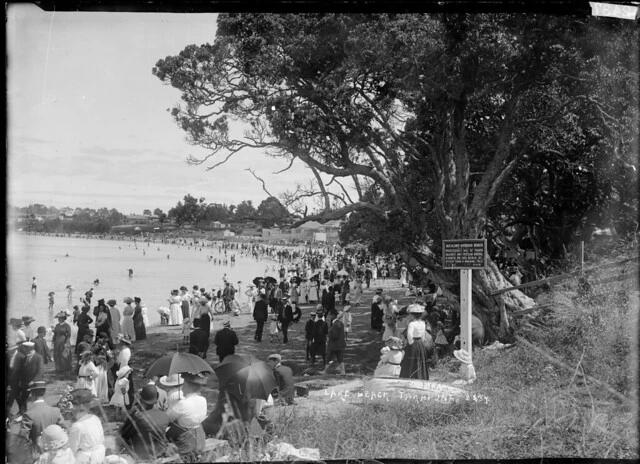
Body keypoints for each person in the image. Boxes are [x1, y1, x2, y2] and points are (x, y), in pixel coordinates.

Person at [119, 385, 170, 460]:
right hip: (159, 451)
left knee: (118, 438)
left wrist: (132, 412)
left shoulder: (138, 416)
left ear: (140, 399)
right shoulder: (165, 416)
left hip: (141, 454)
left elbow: (124, 434)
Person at [166, 373, 208, 460]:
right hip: (200, 436)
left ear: (188, 386)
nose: (182, 387)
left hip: (185, 438)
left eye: (183, 384)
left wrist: (173, 405)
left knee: (165, 433)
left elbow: (168, 418)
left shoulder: (183, 403)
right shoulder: (203, 400)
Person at [20, 381, 65, 452]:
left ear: (31, 394)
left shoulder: (29, 415)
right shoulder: (56, 411)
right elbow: (64, 431)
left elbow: (23, 439)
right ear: (44, 393)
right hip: (55, 452)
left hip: (38, 454)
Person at [68, 388, 106, 464]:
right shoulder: (95, 418)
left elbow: (72, 450)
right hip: (100, 455)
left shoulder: (77, 426)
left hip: (86, 460)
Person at [399, 304, 431, 380]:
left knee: (410, 359)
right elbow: (423, 334)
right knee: (419, 359)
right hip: (420, 342)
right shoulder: (423, 323)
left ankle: (409, 375)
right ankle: (420, 376)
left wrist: (411, 343)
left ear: (413, 315)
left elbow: (409, 335)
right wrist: (422, 342)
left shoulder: (411, 324)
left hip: (414, 342)